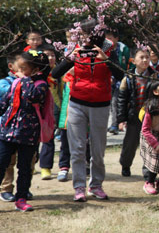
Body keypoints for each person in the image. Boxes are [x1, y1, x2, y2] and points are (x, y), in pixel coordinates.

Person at [52, 19, 123, 202]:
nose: (83, 37)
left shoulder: (109, 49)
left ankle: (96, 185)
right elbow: (55, 73)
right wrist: (71, 58)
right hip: (77, 103)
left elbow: (121, 75)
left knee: (98, 149)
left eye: (85, 34)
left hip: (101, 104)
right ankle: (79, 187)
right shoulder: (76, 48)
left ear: (96, 34)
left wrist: (105, 59)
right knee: (77, 149)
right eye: (81, 34)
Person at [0, 50, 51, 212]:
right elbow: (5, 103)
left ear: (35, 70)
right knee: (1, 163)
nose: (19, 71)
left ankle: (21, 198)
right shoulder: (15, 82)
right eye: (18, 68)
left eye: (24, 68)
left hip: (28, 135)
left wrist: (26, 80)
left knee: (25, 168)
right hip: (7, 132)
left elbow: (32, 97)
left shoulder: (41, 85)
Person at [116, 48, 157, 177]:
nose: (145, 60)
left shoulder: (155, 76)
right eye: (141, 57)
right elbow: (122, 100)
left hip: (150, 117)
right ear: (134, 61)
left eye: (147, 57)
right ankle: (126, 165)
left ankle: (149, 170)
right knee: (130, 143)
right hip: (133, 116)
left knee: (150, 144)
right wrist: (121, 119)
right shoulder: (128, 78)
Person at [0, 51, 23, 202]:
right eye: (21, 66)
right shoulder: (4, 83)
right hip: (7, 129)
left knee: (27, 161)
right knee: (8, 161)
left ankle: (23, 190)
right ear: (11, 66)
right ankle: (6, 189)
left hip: (26, 128)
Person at [38, 44, 64, 180]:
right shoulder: (37, 73)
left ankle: (63, 167)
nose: (50, 58)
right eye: (47, 55)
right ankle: (45, 167)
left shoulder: (61, 71)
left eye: (52, 55)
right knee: (48, 138)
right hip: (44, 109)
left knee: (65, 138)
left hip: (61, 108)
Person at [106, 29, 129, 135]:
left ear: (116, 38)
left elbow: (125, 66)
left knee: (115, 101)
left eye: (110, 38)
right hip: (108, 80)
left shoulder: (123, 49)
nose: (108, 40)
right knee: (110, 103)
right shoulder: (104, 48)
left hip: (120, 80)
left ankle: (115, 124)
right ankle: (113, 123)